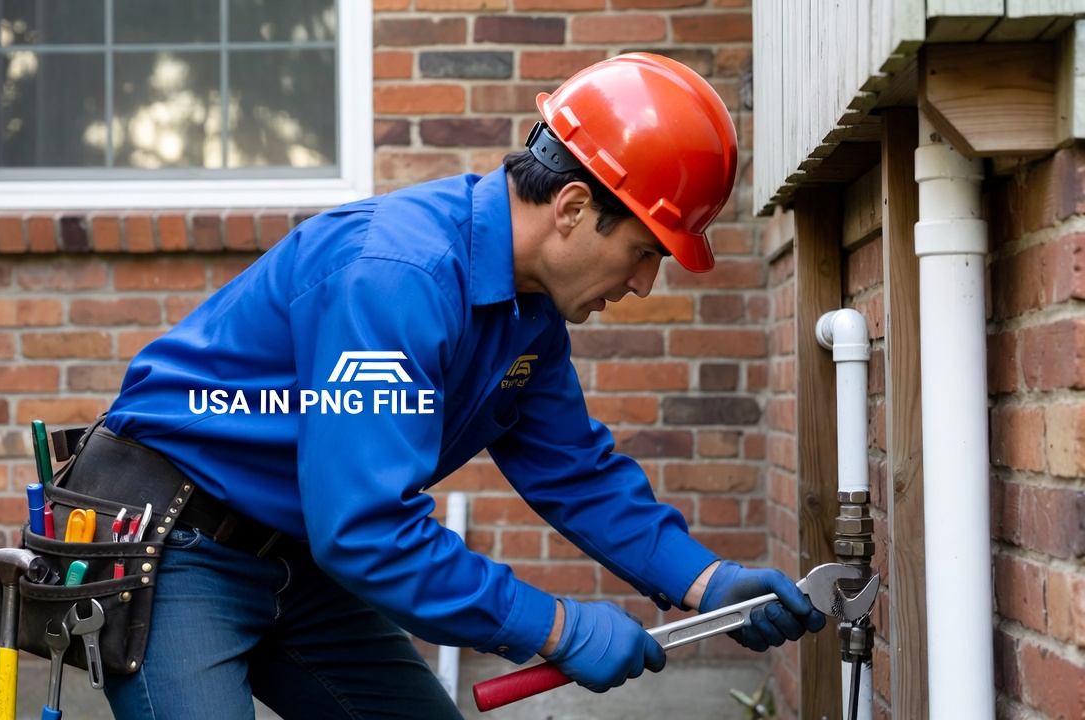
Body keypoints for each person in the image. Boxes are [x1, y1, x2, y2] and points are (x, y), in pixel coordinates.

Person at [83, 53, 825, 720]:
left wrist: (706, 581)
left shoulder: (528, 316)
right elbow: (367, 529)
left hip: (298, 551)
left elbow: (577, 472)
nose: (642, 283)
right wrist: (555, 628)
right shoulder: (397, 279)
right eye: (640, 251)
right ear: (571, 208)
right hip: (175, 540)